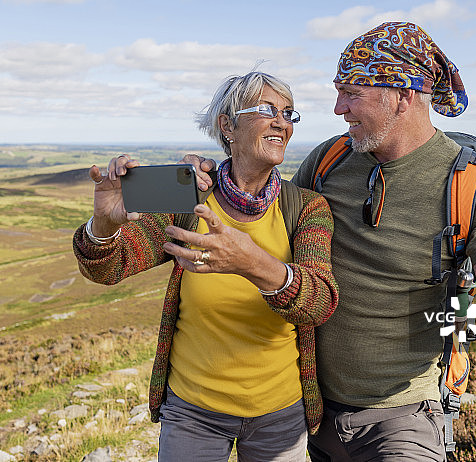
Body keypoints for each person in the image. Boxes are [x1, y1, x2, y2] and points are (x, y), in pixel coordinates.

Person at [185, 22, 476, 461]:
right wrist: (214, 175)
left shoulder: (475, 185)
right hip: (310, 407)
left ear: (402, 95)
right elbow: (267, 213)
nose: (338, 107)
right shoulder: (330, 159)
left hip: (406, 416)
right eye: (338, 91)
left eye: (352, 92)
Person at [72, 71, 339, 462]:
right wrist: (104, 226)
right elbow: (108, 268)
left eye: (289, 113)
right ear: (227, 125)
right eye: (267, 110)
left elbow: (320, 302)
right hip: (193, 412)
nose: (281, 122)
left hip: (280, 412)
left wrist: (252, 263)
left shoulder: (307, 208)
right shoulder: (190, 201)